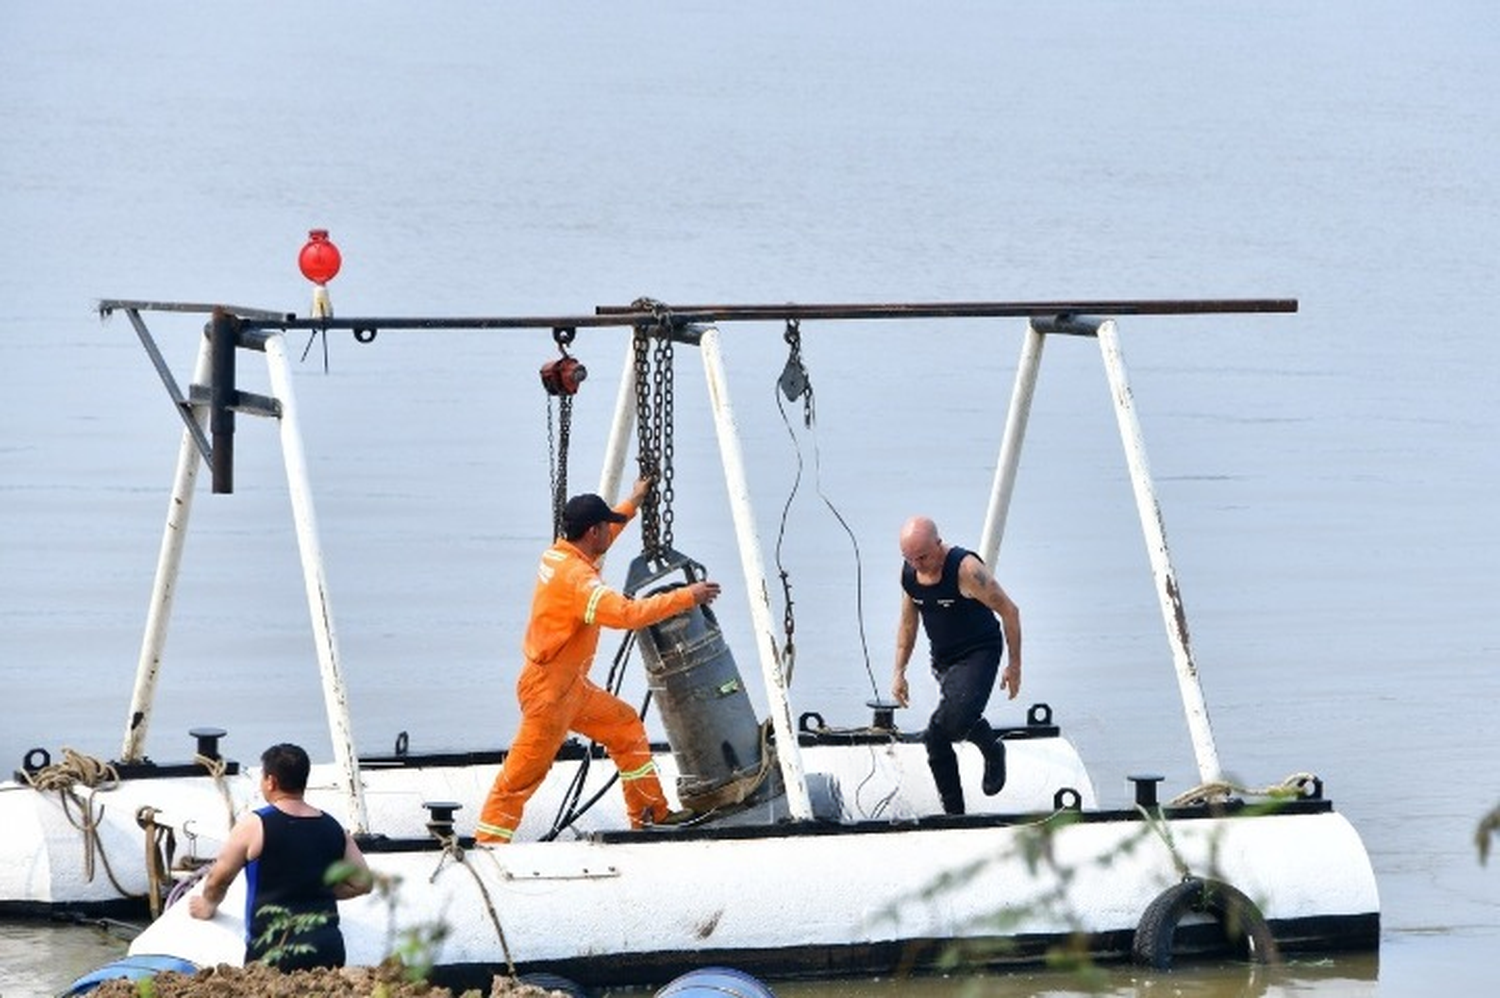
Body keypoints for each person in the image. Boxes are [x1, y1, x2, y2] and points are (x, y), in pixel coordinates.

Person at [476, 477, 721, 844]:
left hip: (570, 687)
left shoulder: (561, 555)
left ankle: (651, 816)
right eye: (605, 526)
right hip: (549, 696)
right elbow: (626, 615)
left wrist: (633, 502)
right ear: (593, 532)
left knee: (626, 728)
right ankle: (488, 846)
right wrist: (688, 596)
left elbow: (606, 536)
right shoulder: (578, 580)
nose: (610, 531)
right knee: (520, 779)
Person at [188, 743, 372, 970]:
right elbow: (363, 883)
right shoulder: (334, 828)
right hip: (328, 950)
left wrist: (208, 905)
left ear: (271, 781)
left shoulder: (254, 825)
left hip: (273, 951)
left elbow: (218, 879)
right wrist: (317, 888)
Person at [891, 515, 1022, 815]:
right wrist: (899, 672)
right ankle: (955, 817)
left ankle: (987, 757)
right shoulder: (909, 573)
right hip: (943, 658)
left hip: (979, 653)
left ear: (939, 544)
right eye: (909, 558)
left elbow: (1010, 612)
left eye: (922, 557)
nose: (917, 564)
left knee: (938, 733)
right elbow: (908, 625)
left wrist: (1014, 666)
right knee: (951, 724)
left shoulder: (966, 569)